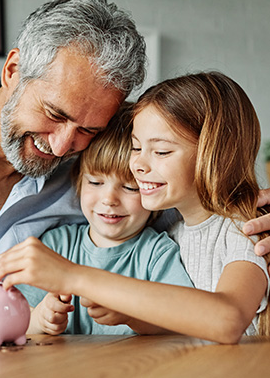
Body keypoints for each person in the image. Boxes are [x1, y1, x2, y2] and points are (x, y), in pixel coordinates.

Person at [0, 72, 270, 344]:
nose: (139, 165)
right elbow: (178, 322)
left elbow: (228, 319)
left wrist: (73, 276)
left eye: (161, 151)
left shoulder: (244, 228)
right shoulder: (173, 231)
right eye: (136, 147)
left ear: (216, 155)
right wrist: (132, 314)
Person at [0, 0, 147, 333]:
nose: (61, 146)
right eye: (55, 114)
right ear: (13, 70)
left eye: (88, 129)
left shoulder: (96, 169)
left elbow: (188, 206)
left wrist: (251, 214)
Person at [15, 103, 193, 335]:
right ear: (79, 182)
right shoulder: (56, 245)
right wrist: (39, 320)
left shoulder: (157, 253)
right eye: (96, 183)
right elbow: (15, 320)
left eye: (130, 188)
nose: (109, 199)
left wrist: (133, 315)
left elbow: (184, 321)